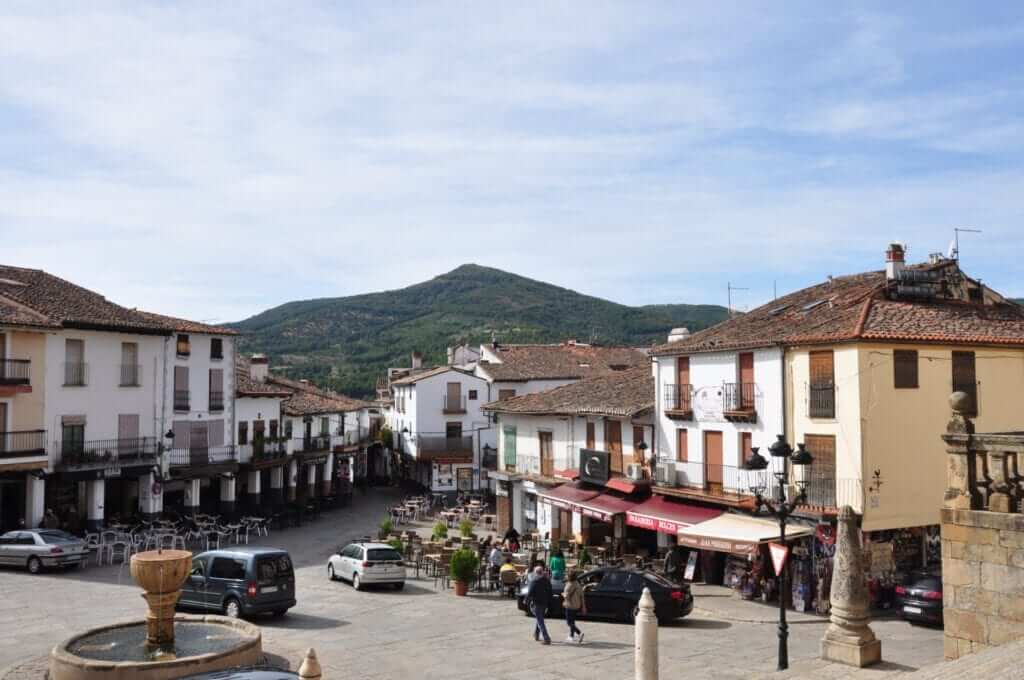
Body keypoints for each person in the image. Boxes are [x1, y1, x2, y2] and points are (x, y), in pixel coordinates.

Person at [526, 566, 552, 645]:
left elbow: (530, 592)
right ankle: (536, 634)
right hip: (545, 603)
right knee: (540, 618)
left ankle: (546, 638)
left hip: (537, 603)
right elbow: (550, 591)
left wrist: (526, 600)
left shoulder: (534, 581)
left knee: (540, 621)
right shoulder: (546, 580)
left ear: (536, 573)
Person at [562, 570, 586, 644]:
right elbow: (582, 596)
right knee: (572, 621)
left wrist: (563, 594)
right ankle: (571, 636)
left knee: (569, 622)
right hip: (577, 605)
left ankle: (579, 633)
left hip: (570, 605)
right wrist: (583, 606)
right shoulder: (578, 584)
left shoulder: (569, 585)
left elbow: (566, 596)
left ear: (569, 577)